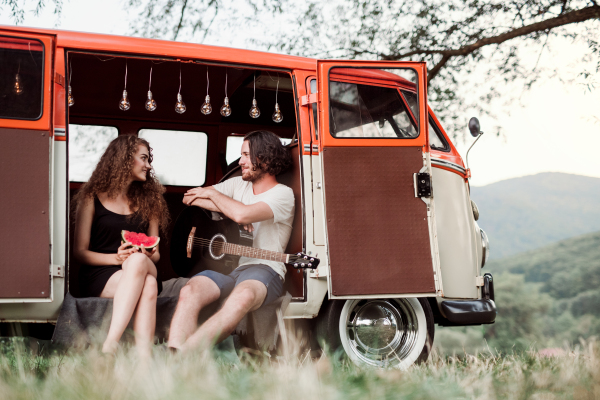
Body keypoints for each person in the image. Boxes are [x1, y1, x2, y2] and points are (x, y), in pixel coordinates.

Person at [168, 130, 294, 352]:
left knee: (242, 297)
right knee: (190, 291)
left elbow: (243, 215)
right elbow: (190, 197)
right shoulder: (238, 185)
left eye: (246, 155)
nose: (241, 161)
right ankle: (173, 348)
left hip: (265, 269)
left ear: (263, 157)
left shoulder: (283, 195)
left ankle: (183, 355)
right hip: (229, 267)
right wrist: (230, 214)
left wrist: (221, 199)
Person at [73, 135, 169, 357]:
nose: (148, 165)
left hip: (144, 264)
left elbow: (156, 256)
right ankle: (144, 361)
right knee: (149, 286)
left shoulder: (151, 201)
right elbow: (80, 252)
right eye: (143, 159)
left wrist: (146, 254)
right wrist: (116, 259)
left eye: (149, 160)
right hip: (102, 273)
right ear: (125, 160)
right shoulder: (90, 198)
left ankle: (110, 344)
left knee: (138, 262)